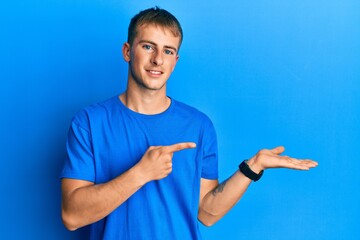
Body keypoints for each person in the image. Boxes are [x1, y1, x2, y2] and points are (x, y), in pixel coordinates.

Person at [60, 7, 318, 240]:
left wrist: (253, 167)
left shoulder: (198, 125)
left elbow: (206, 213)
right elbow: (72, 216)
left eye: (168, 51)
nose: (158, 59)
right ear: (128, 51)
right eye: (148, 46)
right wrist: (141, 173)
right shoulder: (89, 123)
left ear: (175, 61)